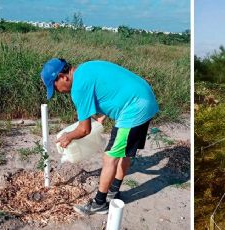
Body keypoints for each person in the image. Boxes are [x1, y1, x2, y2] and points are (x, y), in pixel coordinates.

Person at [40, 58, 159, 214]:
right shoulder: (85, 69)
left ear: (62, 77)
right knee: (124, 153)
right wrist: (102, 115)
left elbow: (84, 130)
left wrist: (68, 136)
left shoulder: (78, 88)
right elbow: (111, 88)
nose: (58, 92)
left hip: (134, 108)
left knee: (110, 157)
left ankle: (99, 203)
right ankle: (114, 192)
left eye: (55, 88)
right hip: (145, 98)